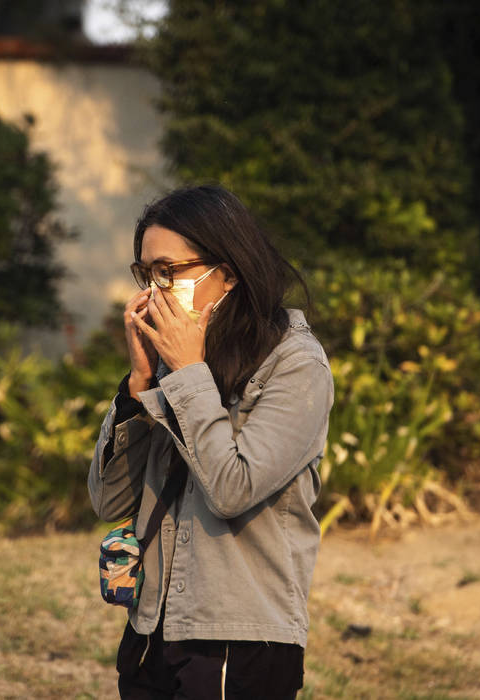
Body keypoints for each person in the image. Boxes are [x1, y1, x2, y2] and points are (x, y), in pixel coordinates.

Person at [88, 184, 334, 699]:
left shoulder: (296, 364)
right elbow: (108, 499)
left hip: (236, 642)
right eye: (145, 273)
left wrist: (187, 373)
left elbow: (232, 488)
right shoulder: (168, 366)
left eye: (168, 271)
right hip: (150, 630)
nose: (154, 291)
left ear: (227, 270)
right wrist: (136, 388)